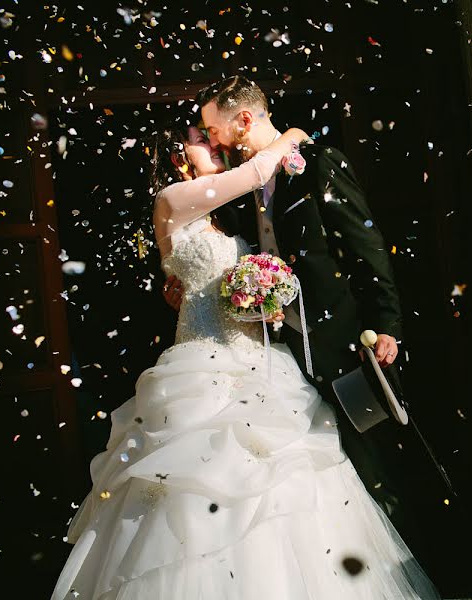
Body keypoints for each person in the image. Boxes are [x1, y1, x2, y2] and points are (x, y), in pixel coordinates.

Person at [51, 115, 440, 599]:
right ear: (177, 157)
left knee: (286, 482)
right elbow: (256, 173)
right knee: (199, 485)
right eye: (201, 141)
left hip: (259, 359)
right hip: (200, 363)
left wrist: (263, 293)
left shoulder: (223, 215)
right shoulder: (171, 200)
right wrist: (293, 135)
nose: (214, 145)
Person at [163, 76, 438, 546]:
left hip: (344, 345)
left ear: (244, 119)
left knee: (377, 467)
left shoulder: (318, 165)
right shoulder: (232, 188)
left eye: (213, 128)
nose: (210, 139)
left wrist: (386, 325)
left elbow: (366, 247)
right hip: (280, 360)